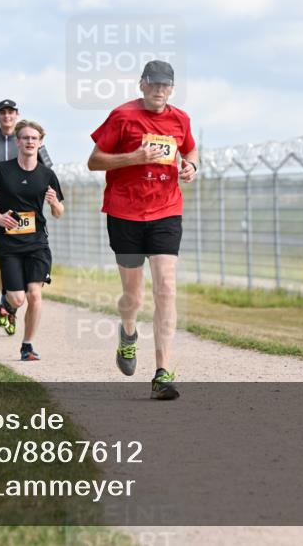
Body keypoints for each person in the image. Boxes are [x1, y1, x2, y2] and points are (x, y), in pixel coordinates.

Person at [87, 60, 198, 400]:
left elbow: (189, 147)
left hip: (166, 211)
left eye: (166, 85)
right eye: (154, 83)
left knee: (166, 287)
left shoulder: (180, 119)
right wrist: (132, 158)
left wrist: (191, 165)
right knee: (133, 297)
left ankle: (162, 373)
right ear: (142, 84)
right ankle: (129, 335)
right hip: (125, 212)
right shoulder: (122, 116)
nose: (159, 90)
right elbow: (94, 160)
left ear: (172, 88)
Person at [0, 120, 64, 361]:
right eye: (25, 138)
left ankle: (27, 345)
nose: (29, 142)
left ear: (40, 143)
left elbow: (59, 212)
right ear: (17, 142)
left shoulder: (47, 174)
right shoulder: (3, 170)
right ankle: (5, 305)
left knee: (34, 294)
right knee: (17, 298)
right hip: (10, 244)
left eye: (34, 138)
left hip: (37, 242)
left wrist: (54, 203)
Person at [0, 99, 55, 324]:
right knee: (9, 252)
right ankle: (10, 298)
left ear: (16, 115)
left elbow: (48, 167)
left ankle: (9, 302)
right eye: (3, 112)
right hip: (1, 205)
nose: (7, 116)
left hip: (29, 205)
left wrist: (47, 191)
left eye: (11, 112)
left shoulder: (30, 138)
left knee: (28, 276)